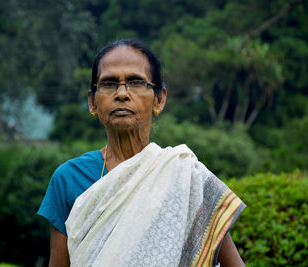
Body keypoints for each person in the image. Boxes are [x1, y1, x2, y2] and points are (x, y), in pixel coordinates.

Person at [38, 39, 246, 267]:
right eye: (108, 84)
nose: (122, 93)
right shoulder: (68, 179)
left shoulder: (186, 178)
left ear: (159, 99)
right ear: (92, 102)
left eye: (136, 82)